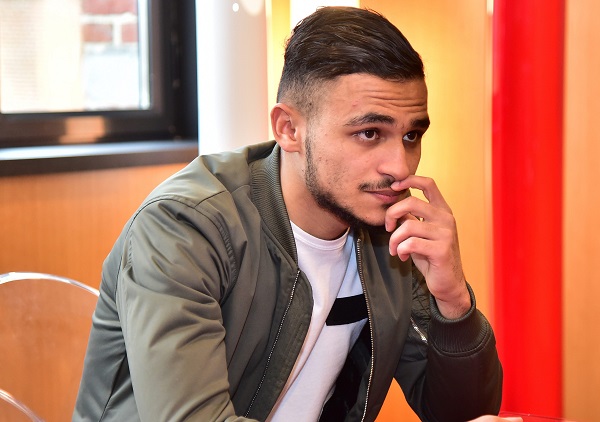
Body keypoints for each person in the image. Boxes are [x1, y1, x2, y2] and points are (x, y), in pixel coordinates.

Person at [74, 6, 510, 422]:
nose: (399, 167)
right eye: (369, 133)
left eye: (411, 135)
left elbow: (464, 414)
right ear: (289, 129)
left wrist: (454, 300)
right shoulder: (183, 228)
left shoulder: (388, 230)